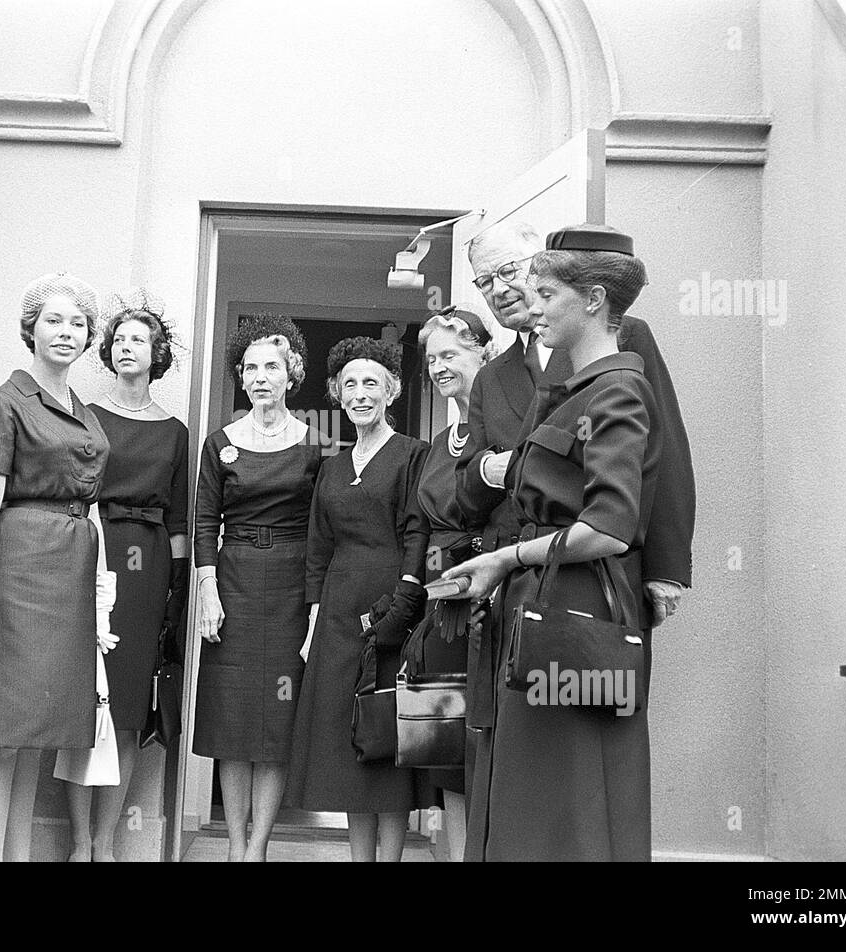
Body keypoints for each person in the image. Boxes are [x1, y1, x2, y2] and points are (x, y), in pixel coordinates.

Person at [453, 219, 695, 856]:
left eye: (516, 273)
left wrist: (665, 567)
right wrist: (487, 475)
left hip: (580, 585)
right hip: (520, 588)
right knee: (514, 759)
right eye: (488, 281)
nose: (512, 292)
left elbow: (660, 458)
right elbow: (462, 484)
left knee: (582, 768)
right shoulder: (497, 373)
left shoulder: (621, 354)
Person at [0, 272, 117, 862]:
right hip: (18, 573)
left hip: (69, 576)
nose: (67, 332)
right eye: (54, 320)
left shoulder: (83, 411)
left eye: (77, 323)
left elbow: (91, 508)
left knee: (35, 736)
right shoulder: (3, 403)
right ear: (31, 329)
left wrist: (99, 598)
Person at [285, 337, 434, 862]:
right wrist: (312, 623)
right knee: (348, 747)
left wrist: (405, 605)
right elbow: (318, 547)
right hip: (338, 613)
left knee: (386, 742)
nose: (361, 393)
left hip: (391, 609)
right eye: (350, 384)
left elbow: (419, 534)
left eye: (371, 382)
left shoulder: (414, 455)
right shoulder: (331, 465)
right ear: (338, 396)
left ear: (391, 390)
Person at [192, 315, 324, 862]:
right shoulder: (219, 443)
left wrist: (316, 607)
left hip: (292, 585)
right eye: (250, 367)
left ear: (290, 374)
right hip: (233, 580)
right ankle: (233, 846)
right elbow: (202, 521)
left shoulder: (314, 446)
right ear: (240, 378)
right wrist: (208, 590)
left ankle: (258, 850)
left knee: (276, 722)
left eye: (272, 366)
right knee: (233, 719)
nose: (260, 376)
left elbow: (323, 530)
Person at [68, 287, 190, 862]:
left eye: (137, 339)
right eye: (117, 339)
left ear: (157, 352)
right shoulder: (83, 416)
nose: (125, 347)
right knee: (85, 699)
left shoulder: (175, 430)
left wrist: (178, 595)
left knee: (127, 706)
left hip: (149, 569)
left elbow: (181, 520)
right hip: (93, 550)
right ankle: (76, 843)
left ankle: (107, 843)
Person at [410, 306, 490, 861]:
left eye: (451, 354)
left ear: (483, 352)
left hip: (489, 601)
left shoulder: (504, 426)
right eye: (432, 357)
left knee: (487, 746)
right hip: (442, 610)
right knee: (447, 750)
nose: (439, 367)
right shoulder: (440, 442)